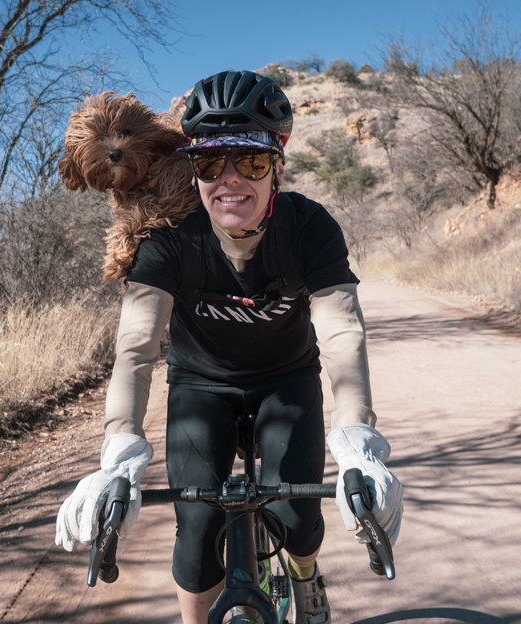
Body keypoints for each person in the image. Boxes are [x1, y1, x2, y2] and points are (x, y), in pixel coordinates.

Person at [56, 69, 404, 624]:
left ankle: (307, 577)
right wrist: (118, 454)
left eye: (252, 161)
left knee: (298, 518)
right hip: (201, 387)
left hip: (286, 379)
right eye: (209, 163)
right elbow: (136, 347)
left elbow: (340, 331)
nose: (229, 180)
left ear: (278, 169)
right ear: (190, 170)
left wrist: (358, 438)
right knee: (195, 537)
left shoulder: (309, 228)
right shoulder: (167, 241)